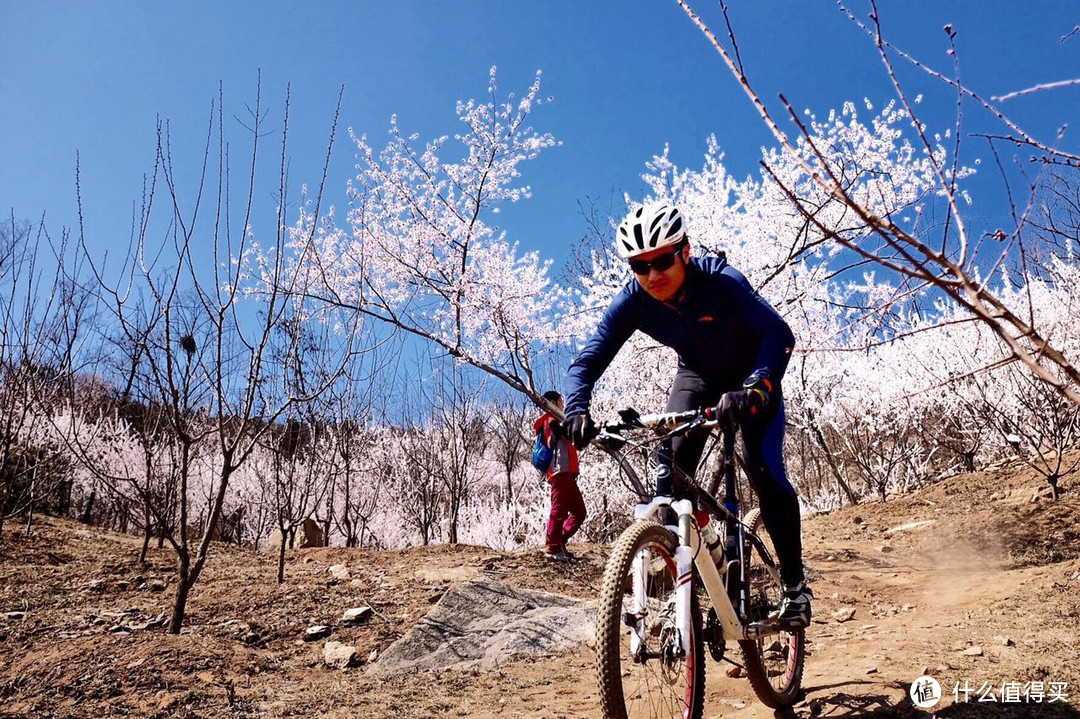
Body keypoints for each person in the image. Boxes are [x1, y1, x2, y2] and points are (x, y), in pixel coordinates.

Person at [561, 202, 812, 628]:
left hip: (750, 375)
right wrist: (576, 408)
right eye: (640, 266)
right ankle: (692, 570)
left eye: (662, 261)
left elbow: (777, 333)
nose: (652, 274)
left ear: (685, 252)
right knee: (670, 472)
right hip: (696, 375)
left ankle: (793, 586)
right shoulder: (634, 301)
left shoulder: (721, 282)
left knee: (763, 470)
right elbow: (586, 362)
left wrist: (757, 387)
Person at [534, 390, 586, 563]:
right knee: (559, 510)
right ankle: (553, 547)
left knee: (579, 512)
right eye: (560, 401)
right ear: (554, 402)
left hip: (568, 472)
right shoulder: (550, 420)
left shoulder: (558, 420)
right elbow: (556, 439)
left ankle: (560, 541)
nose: (563, 404)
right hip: (559, 471)